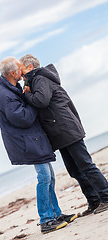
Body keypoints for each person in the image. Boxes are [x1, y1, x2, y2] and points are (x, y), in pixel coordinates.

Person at [0, 57, 76, 234]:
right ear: (13, 73)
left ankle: (56, 214)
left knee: (50, 176)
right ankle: (46, 220)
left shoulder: (12, 89)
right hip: (26, 142)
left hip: (33, 139)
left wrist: (26, 95)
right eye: (19, 69)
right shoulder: (6, 95)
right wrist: (31, 99)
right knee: (44, 177)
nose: (22, 71)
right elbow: (23, 118)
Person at [20, 54, 108, 216]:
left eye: (22, 69)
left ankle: (106, 197)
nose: (20, 74)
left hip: (66, 129)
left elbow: (41, 101)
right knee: (75, 171)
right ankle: (94, 201)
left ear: (30, 67)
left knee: (86, 166)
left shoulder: (40, 78)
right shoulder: (37, 79)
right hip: (61, 132)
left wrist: (26, 94)